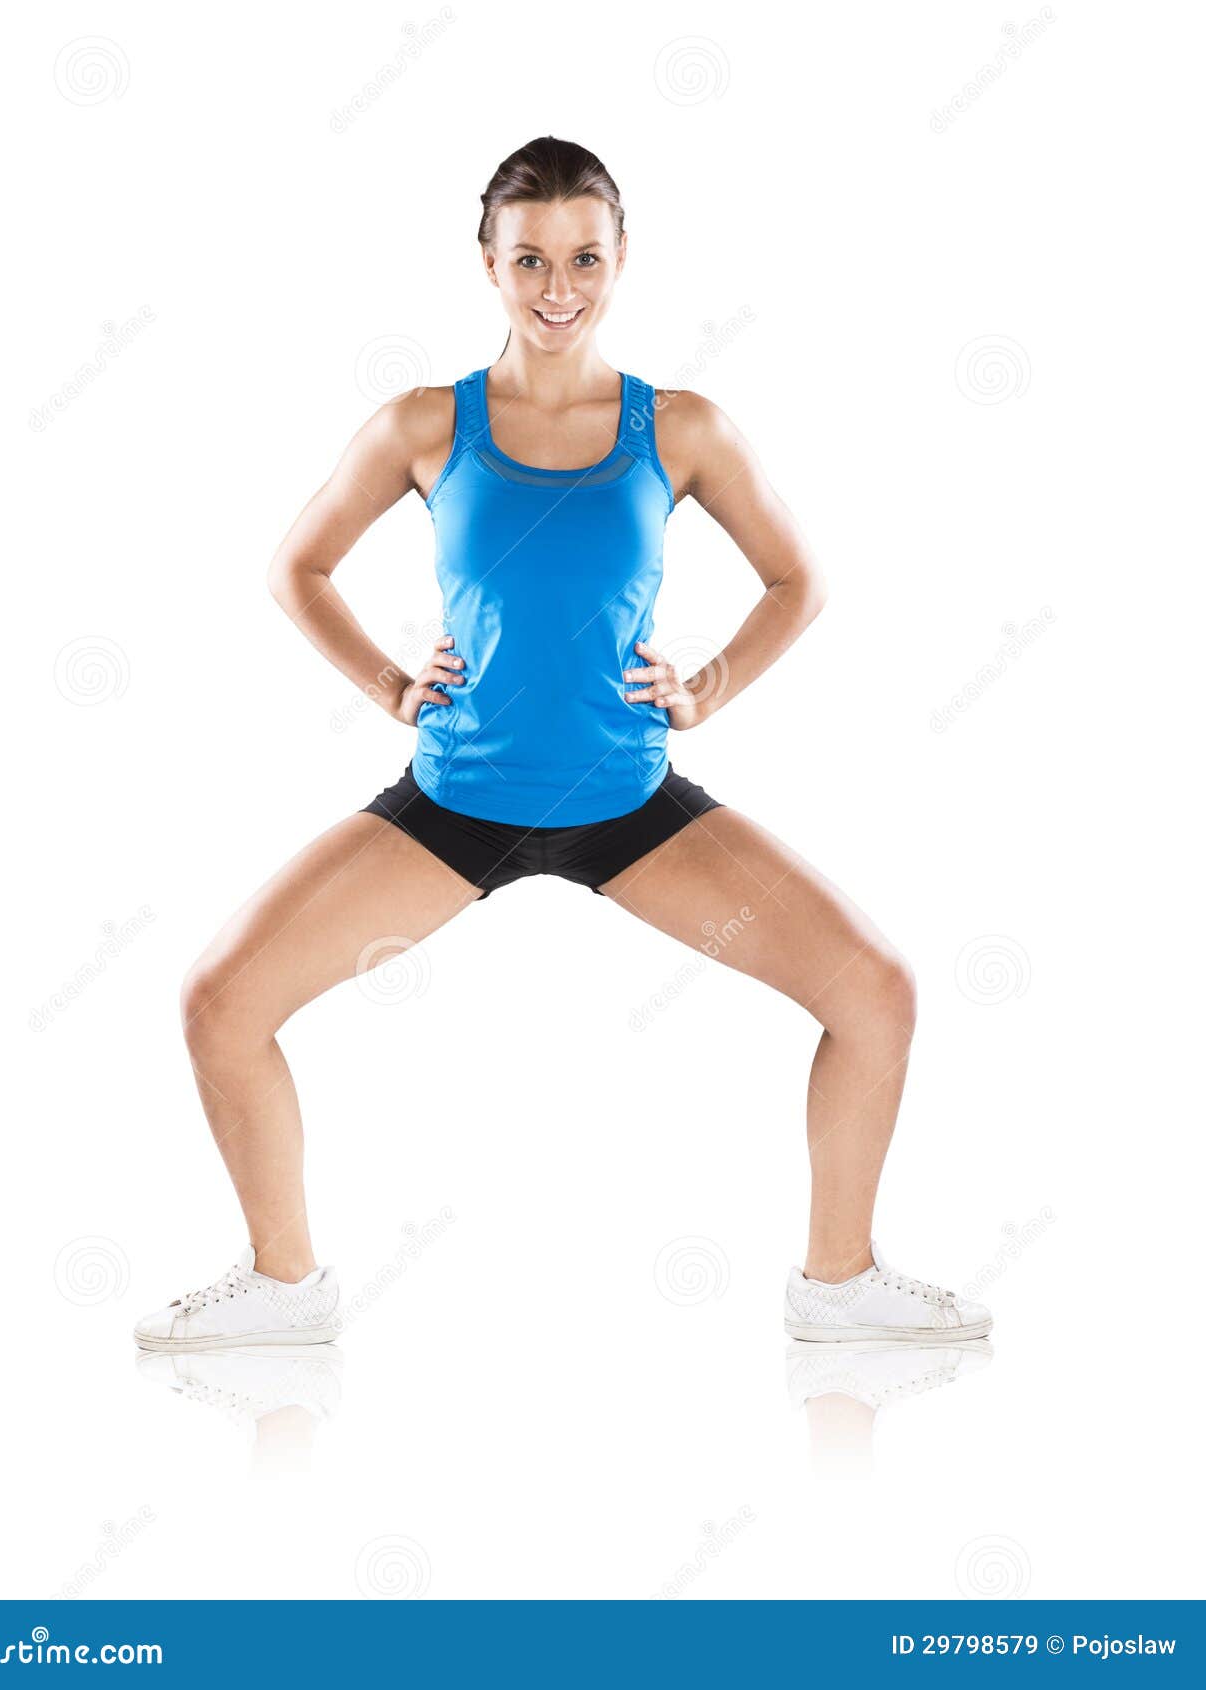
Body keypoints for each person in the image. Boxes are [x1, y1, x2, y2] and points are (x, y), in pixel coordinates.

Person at [133, 136, 991, 1353]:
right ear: (486, 262)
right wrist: (389, 683)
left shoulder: (679, 429)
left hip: (628, 803)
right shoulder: (424, 426)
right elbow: (297, 565)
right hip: (458, 803)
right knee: (220, 1000)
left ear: (621, 258)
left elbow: (797, 577)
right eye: (528, 258)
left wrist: (708, 687)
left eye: (584, 257)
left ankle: (838, 1284)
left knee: (878, 992)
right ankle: (285, 1289)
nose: (557, 287)